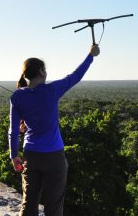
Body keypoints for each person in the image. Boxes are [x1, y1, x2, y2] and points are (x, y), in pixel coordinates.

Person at [8, 44, 100, 216]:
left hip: (31, 155)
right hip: (54, 156)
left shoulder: (17, 96)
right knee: (54, 206)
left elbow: (13, 131)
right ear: (42, 72)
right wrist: (91, 56)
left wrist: (14, 156)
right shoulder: (52, 90)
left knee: (29, 203)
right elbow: (76, 76)